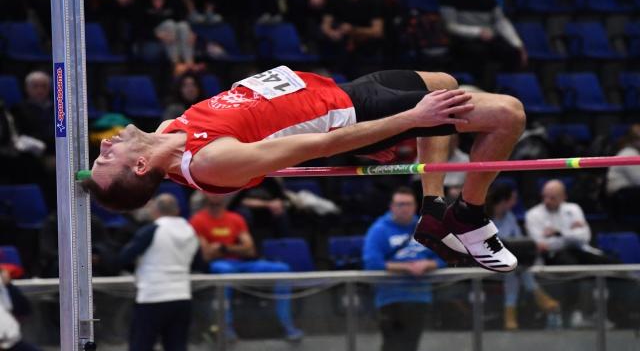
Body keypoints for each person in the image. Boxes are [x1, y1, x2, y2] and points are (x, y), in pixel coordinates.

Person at [83, 66, 526, 272]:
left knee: (446, 82)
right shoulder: (211, 162)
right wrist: (414, 119)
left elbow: (267, 124)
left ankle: (432, 208)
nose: (105, 146)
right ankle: (469, 216)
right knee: (509, 113)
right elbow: (321, 142)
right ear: (141, 165)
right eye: (106, 157)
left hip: (341, 91)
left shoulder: (166, 130)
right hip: (350, 116)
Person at [189, 192, 303, 342]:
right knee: (226, 272)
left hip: (241, 263)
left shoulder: (236, 218)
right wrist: (236, 248)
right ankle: (226, 327)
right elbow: (207, 254)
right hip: (219, 265)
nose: (216, 195)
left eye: (218, 192)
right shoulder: (197, 220)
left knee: (282, 269)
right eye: (211, 192)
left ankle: (286, 324)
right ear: (204, 195)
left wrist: (223, 248)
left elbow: (250, 249)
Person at [525, 179, 616, 328]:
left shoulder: (573, 209)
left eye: (552, 198)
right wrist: (571, 234)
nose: (547, 201)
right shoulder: (533, 215)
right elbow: (541, 244)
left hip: (579, 250)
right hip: (553, 256)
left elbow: (585, 236)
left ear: (563, 197)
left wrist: (558, 233)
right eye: (544, 197)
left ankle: (609, 314)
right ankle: (576, 313)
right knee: (572, 267)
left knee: (612, 265)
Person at [363, 187, 444, 351]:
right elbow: (372, 262)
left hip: (420, 296)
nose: (404, 208)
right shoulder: (379, 229)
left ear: (415, 206)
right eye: (400, 204)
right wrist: (406, 268)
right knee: (392, 344)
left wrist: (428, 265)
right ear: (391, 207)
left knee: (411, 344)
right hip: (390, 297)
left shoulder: (426, 227)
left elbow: (445, 256)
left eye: (408, 204)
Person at [117, 194, 199, 351]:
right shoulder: (191, 231)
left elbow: (124, 257)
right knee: (177, 346)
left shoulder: (152, 230)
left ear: (155, 211)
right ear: (177, 210)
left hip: (152, 296)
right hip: (182, 297)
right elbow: (199, 262)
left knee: (141, 346)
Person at [486, 183, 559, 330]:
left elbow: (518, 240)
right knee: (514, 268)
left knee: (514, 269)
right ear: (503, 201)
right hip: (484, 258)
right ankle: (539, 296)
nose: (515, 202)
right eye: (513, 199)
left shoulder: (510, 217)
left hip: (508, 262)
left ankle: (510, 315)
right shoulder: (483, 217)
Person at [439, 0, 526, 84]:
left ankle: (506, 86)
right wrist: (478, 32)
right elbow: (451, 27)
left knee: (512, 52)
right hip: (462, 39)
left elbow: (501, 22)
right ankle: (479, 87)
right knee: (477, 53)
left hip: (488, 38)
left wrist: (517, 44)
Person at [320, 0, 384, 77]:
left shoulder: (372, 0)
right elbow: (325, 25)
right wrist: (332, 33)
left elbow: (377, 31)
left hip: (365, 45)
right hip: (339, 42)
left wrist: (353, 30)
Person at [606, 124, 640, 217]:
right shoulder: (629, 154)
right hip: (621, 196)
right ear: (635, 140)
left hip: (630, 192)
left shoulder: (635, 153)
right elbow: (638, 180)